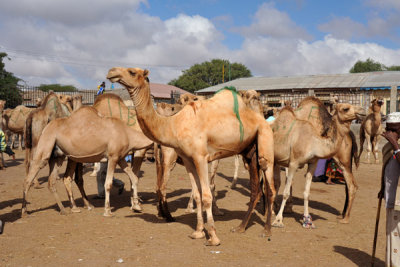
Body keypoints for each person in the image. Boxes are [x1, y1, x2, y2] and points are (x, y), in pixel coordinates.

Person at [380, 112, 400, 267]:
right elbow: (386, 168)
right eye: (388, 129)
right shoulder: (388, 147)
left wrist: (396, 146)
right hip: (391, 199)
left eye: (394, 130)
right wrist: (382, 187)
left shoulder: (394, 145)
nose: (391, 134)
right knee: (391, 237)